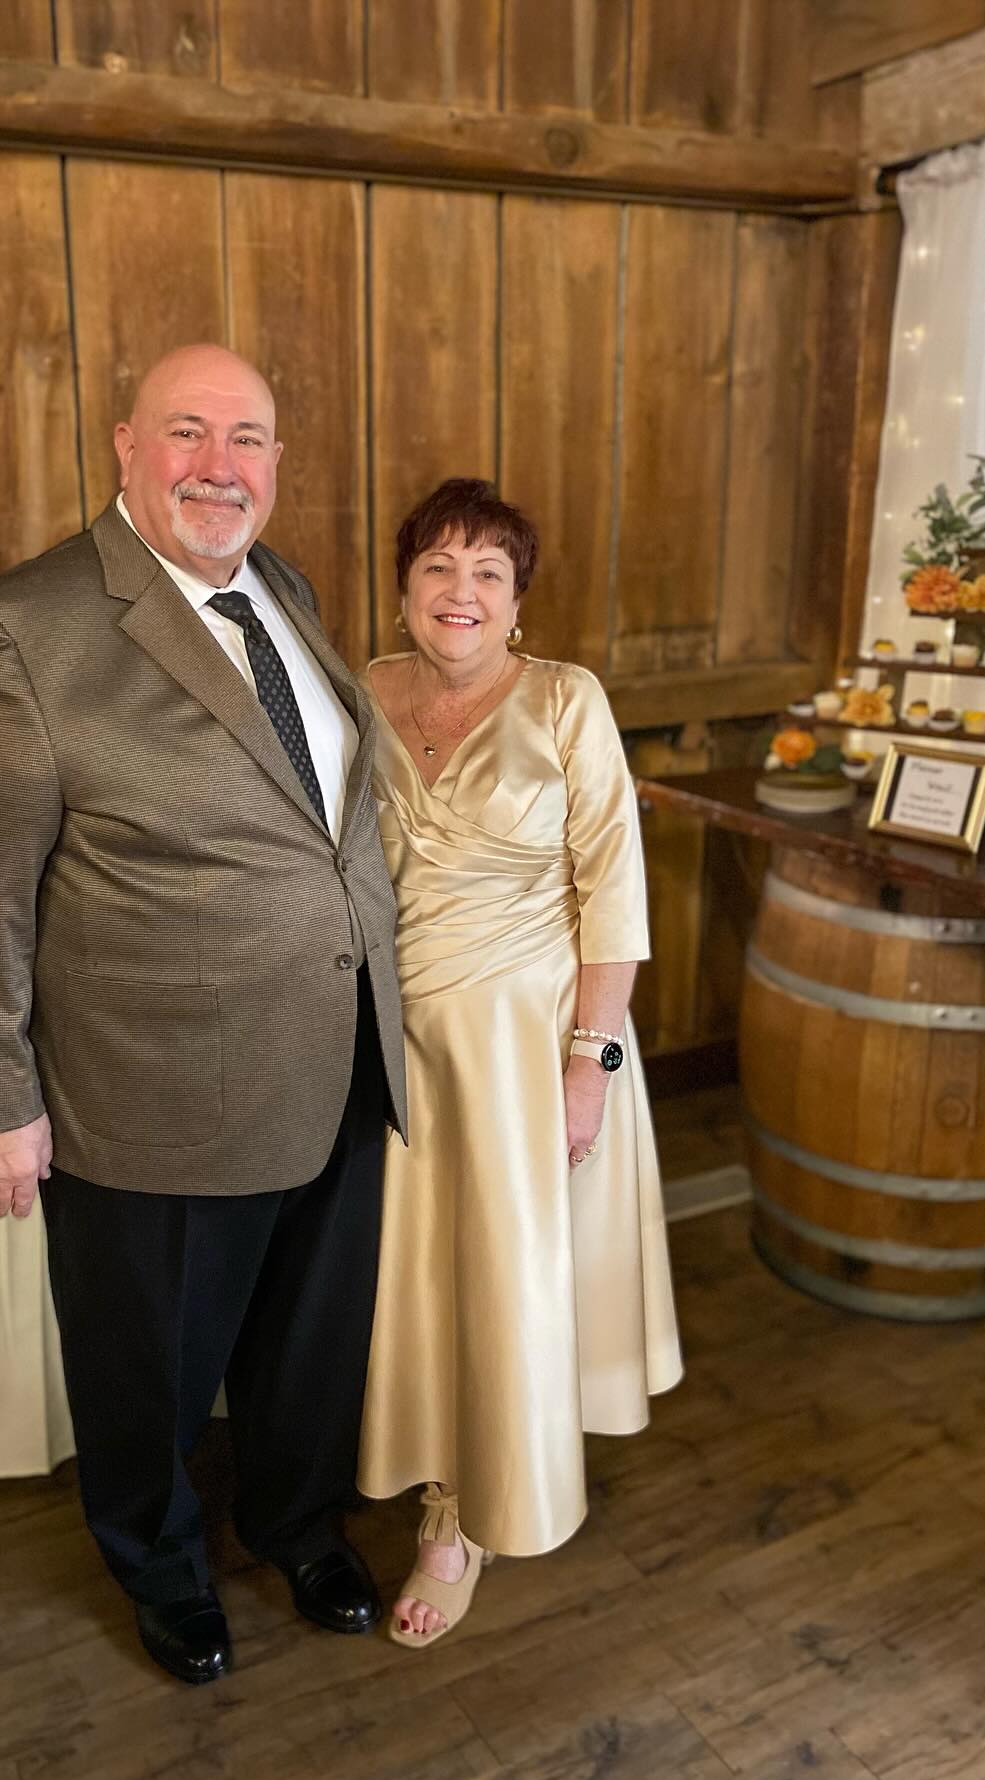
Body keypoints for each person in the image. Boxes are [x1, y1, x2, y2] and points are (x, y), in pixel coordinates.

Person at [0, 344, 407, 1686]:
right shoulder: (22, 629)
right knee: (153, 1368)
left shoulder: (283, 590)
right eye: (187, 432)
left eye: (248, 438)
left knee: (311, 1337)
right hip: (153, 1091)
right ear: (124, 446)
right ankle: (160, 1563)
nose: (219, 466)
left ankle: (299, 1524)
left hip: (339, 1056)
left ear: (276, 465)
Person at [357, 479, 682, 1646]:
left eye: (489, 573)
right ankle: (421, 1456)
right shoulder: (360, 695)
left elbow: (615, 889)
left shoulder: (566, 702)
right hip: (398, 1043)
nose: (462, 592)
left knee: (504, 1277)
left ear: (517, 602)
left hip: (528, 1043)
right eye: (439, 567)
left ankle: (470, 1512)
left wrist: (587, 1062)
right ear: (403, 591)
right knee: (417, 1275)